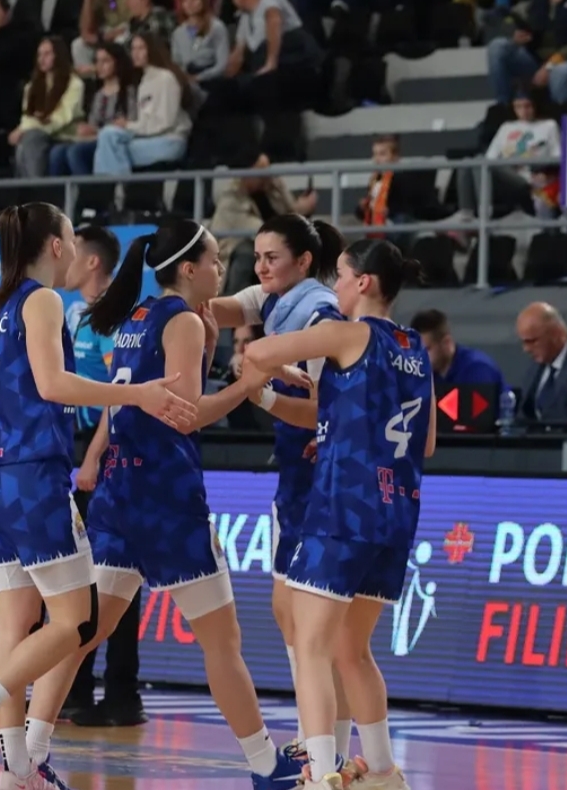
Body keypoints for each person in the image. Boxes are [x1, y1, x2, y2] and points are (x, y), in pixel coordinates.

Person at [16, 219, 312, 790]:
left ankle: (29, 755)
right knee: (222, 643)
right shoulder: (183, 320)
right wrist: (249, 386)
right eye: (215, 260)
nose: (221, 269)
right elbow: (187, 415)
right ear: (188, 268)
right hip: (167, 498)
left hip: (119, 493)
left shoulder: (137, 316)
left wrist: (217, 356)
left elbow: (133, 403)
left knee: (82, 632)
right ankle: (263, 766)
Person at [0, 203, 196, 790]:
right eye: (70, 236)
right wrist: (137, 395)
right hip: (29, 479)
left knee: (15, 627)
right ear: (53, 245)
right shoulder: (42, 299)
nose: (75, 247)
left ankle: (18, 770)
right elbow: (52, 384)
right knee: (77, 620)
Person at [243, 239, 437, 790]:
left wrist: (274, 368)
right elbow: (423, 443)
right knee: (354, 650)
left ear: (363, 283)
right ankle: (382, 771)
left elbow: (258, 353)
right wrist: (325, 423)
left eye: (341, 278)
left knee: (313, 647)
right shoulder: (416, 348)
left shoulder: (348, 333)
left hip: (343, 509)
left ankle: (322, 772)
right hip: (396, 515)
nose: (334, 289)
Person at [207, 214, 359, 772]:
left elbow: (326, 408)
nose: (261, 266)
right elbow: (217, 308)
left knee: (318, 624)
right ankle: (320, 740)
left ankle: (330, 749)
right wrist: (184, 292)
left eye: (271, 257)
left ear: (303, 261)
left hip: (321, 472)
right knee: (289, 613)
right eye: (257, 256)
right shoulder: (272, 297)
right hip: (293, 471)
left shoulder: (320, 314)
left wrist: (263, 394)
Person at [62, 225, 146, 727]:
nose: (66, 259)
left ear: (92, 261)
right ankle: (75, 689)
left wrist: (93, 456)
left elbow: (120, 394)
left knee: (112, 577)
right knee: (82, 578)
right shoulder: (76, 313)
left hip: (109, 451)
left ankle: (121, 693)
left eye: (74, 251)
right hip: (78, 444)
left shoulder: (117, 318)